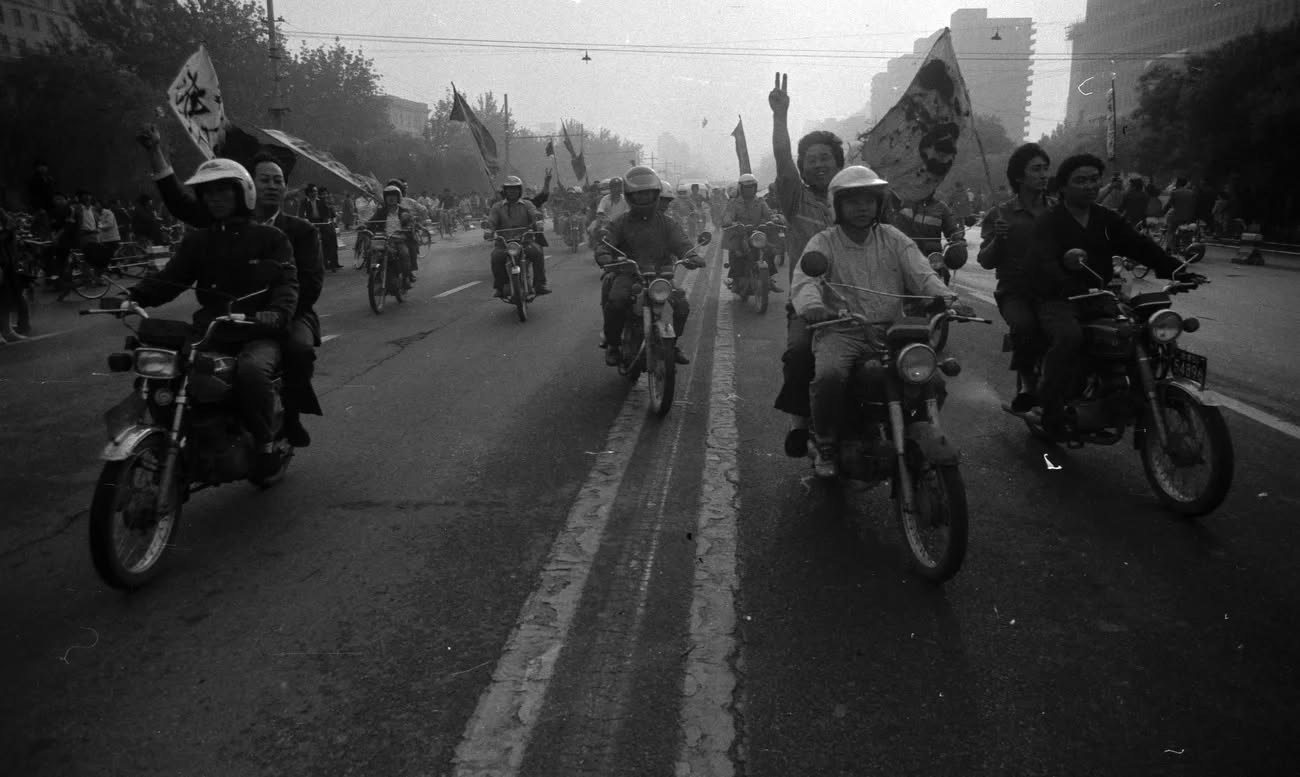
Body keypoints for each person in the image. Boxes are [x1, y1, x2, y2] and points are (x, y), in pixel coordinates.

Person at [140, 126, 325, 448]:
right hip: (224, 320)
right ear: (250, 184)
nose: (271, 186)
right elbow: (178, 212)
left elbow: (305, 284)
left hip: (283, 315)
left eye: (277, 181)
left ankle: (286, 419)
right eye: (264, 180)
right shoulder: (213, 229)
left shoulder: (296, 231)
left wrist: (275, 312)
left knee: (296, 350)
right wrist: (156, 152)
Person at [120, 159, 299, 479]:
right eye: (208, 193)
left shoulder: (271, 238)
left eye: (223, 191)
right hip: (210, 330)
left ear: (242, 193)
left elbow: (286, 284)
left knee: (250, 373)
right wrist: (135, 296)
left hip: (255, 330)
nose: (215, 198)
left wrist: (277, 313)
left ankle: (265, 443)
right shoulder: (198, 241)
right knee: (165, 369)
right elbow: (171, 278)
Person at [790, 166, 958, 478]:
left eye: (868, 200)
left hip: (893, 331)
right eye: (853, 201)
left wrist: (946, 297)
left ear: (879, 204)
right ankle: (826, 441)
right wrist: (812, 306)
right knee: (828, 376)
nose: (862, 207)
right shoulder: (824, 241)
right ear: (837, 205)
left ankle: (913, 430)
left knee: (932, 381)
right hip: (843, 330)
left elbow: (921, 273)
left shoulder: (893, 238)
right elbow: (805, 281)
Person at [1028, 154, 1190, 438]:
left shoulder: (1106, 218)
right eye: (1081, 180)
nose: (1090, 186)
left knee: (1139, 331)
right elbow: (1043, 261)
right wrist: (1065, 283)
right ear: (1063, 187)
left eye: (1094, 179)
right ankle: (1049, 406)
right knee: (1069, 337)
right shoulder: (1049, 221)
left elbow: (1138, 245)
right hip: (1058, 299)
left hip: (1099, 296)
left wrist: (1176, 270)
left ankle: (1124, 394)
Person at [767, 72, 847, 457]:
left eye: (825, 158)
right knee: (799, 354)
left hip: (858, 302)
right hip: (807, 304)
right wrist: (780, 117)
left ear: (839, 163)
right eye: (811, 159)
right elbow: (783, 158)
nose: (818, 164)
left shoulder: (857, 200)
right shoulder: (795, 198)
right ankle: (800, 422)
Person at [594, 166, 701, 366]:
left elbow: (682, 243)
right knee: (616, 302)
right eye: (639, 194)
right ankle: (614, 345)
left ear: (655, 193)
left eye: (648, 194)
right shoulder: (620, 222)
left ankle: (673, 345)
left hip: (661, 276)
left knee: (682, 305)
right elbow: (606, 241)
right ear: (630, 196)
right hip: (629, 274)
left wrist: (691, 256)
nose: (644, 198)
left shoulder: (667, 223)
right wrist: (604, 254)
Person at [978, 143, 1053, 413]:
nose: (1043, 175)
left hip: (1053, 289)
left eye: (1045, 169)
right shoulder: (1000, 214)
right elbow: (985, 260)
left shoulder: (1057, 211)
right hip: (1015, 291)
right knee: (1024, 326)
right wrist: (999, 239)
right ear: (1019, 176)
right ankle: (1027, 384)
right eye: (1036, 169)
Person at [485, 176, 549, 297]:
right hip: (504, 244)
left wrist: (538, 223)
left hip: (525, 241)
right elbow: (491, 221)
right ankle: (500, 287)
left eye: (515, 189)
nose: (512, 191)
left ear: (520, 190)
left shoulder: (527, 204)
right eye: (509, 189)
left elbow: (535, 214)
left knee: (537, 252)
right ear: (505, 191)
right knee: (495, 257)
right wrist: (488, 231)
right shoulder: (497, 207)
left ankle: (540, 284)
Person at [721, 173, 781, 292]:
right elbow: (728, 216)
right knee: (736, 253)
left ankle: (769, 278)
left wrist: (775, 219)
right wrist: (729, 222)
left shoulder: (760, 201)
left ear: (755, 187)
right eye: (747, 187)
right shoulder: (734, 203)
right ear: (741, 188)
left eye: (752, 187)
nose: (750, 189)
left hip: (757, 233)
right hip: (740, 233)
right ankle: (735, 279)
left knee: (769, 250)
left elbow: (769, 213)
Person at [891, 191, 968, 283]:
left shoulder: (941, 208)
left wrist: (959, 245)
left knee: (935, 286)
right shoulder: (903, 203)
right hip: (904, 258)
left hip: (931, 260)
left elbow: (953, 230)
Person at [367, 184, 418, 286]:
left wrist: (408, 226)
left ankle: (406, 276)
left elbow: (411, 223)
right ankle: (375, 274)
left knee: (404, 254)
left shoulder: (404, 212)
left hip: (399, 240)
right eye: (388, 196)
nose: (391, 198)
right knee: (372, 254)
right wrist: (364, 226)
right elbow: (371, 222)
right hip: (383, 240)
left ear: (398, 197)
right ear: (385, 198)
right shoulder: (381, 211)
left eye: (393, 196)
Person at [0, 209, 33, 342]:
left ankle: (7, 331)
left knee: (5, 299)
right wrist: (7, 230)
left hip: (7, 264)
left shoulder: (3, 215)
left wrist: (12, 228)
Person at [300, 183, 340, 271]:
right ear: (308, 193)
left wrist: (326, 221)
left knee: (330, 238)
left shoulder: (322, 200)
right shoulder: (304, 202)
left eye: (316, 191)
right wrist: (305, 221)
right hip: (310, 222)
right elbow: (301, 214)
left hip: (323, 222)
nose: (315, 193)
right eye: (313, 191)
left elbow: (327, 213)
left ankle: (332, 262)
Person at [1162, 177, 1197, 245]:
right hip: (1188, 217)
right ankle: (1186, 245)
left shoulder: (1175, 193)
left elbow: (1169, 205)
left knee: (1171, 231)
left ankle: (1169, 247)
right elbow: (1193, 206)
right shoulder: (1191, 193)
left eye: (1176, 182)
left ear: (1178, 183)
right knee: (1187, 232)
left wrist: (1162, 212)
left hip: (1176, 217)